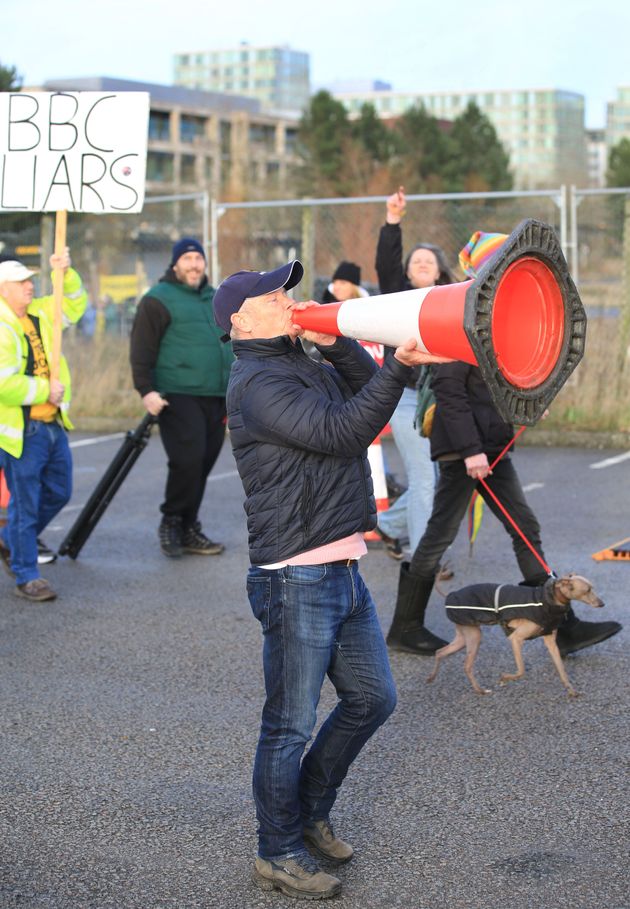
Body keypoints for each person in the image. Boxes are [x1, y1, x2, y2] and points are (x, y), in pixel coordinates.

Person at [212, 259, 446, 900]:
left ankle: (308, 811)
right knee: (288, 725)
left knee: (375, 699)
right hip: (295, 575)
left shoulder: (297, 361)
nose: (290, 298)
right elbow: (345, 434)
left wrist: (340, 342)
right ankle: (277, 850)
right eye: (274, 294)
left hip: (340, 564)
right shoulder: (256, 382)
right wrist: (397, 363)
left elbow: (375, 390)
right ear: (241, 319)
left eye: (287, 288)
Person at [385, 357, 623, 657]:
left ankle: (562, 629)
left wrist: (527, 406)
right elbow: (448, 388)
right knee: (439, 536)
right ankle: (405, 629)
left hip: (492, 448)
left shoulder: (494, 329)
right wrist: (470, 451)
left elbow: (495, 384)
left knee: (524, 527)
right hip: (464, 453)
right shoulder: (461, 326)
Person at [130, 237, 233, 558]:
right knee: (187, 460)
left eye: (198, 258)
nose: (194, 264)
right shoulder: (157, 299)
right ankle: (171, 521)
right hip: (177, 394)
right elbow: (141, 349)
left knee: (203, 462)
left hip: (216, 395)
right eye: (187, 258)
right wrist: (146, 390)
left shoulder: (215, 298)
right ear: (175, 264)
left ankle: (189, 526)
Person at [374, 186, 455, 576]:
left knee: (438, 479)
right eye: (415, 260)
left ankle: (388, 526)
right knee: (424, 477)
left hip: (443, 400)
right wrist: (393, 220)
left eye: (429, 260)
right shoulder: (396, 297)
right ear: (407, 272)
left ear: (440, 271)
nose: (422, 263)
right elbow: (386, 263)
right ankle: (425, 561)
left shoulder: (454, 303)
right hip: (406, 398)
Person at [0, 250, 88, 601]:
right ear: (3, 288)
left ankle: (9, 541)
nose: (29, 286)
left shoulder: (38, 313)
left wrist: (65, 273)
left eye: (30, 280)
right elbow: (3, 382)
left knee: (59, 492)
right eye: (21, 282)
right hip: (22, 430)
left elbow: (74, 305)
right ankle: (26, 574)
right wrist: (43, 389)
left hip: (51, 423)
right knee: (25, 503)